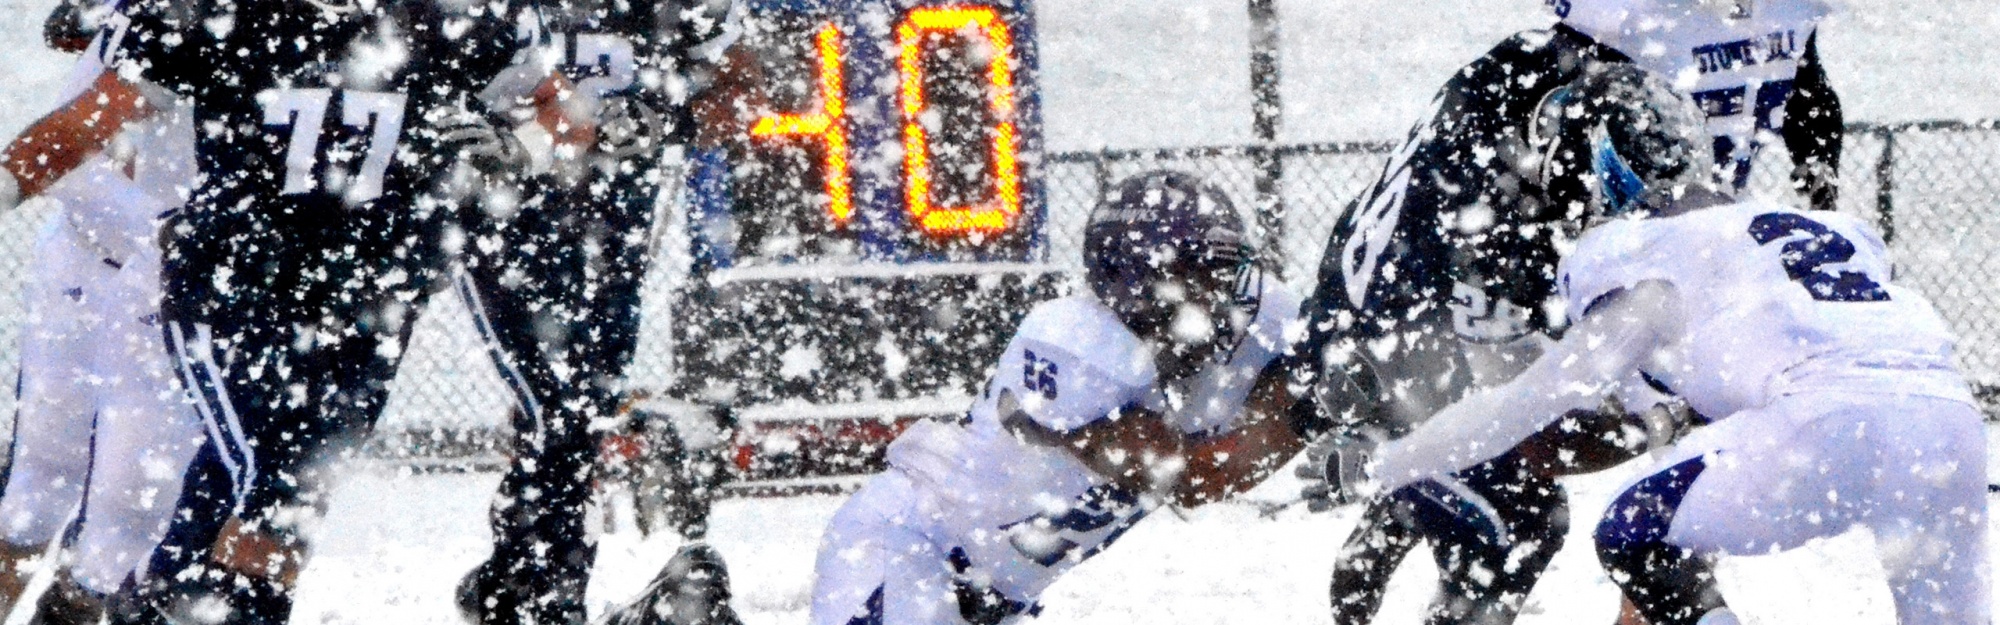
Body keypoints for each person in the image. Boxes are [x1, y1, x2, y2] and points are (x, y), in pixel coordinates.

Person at [0, 0, 578, 620]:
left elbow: (567, 112)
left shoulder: (450, 18)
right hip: (235, 290)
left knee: (244, 494)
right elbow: (75, 130)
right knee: (274, 486)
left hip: (371, 302)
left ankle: (159, 603)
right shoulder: (217, 14)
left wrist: (525, 147)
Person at [1351, 64, 1987, 625]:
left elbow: (1512, 413)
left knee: (1636, 535)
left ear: (1590, 169)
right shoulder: (1828, 229)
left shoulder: (1640, 261)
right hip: (1951, 427)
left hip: (1826, 425)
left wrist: (1385, 465)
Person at [1285, 0, 1843, 621]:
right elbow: (1489, 369)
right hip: (1451, 294)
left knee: (1663, 447)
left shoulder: (1756, 33)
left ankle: (1417, 488)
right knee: (1518, 512)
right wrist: (1379, 421)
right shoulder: (1522, 151)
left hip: (1617, 252)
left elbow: (1800, 81)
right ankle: (1418, 487)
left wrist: (1813, 178)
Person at [598, 170, 1336, 625]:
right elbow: (1194, 474)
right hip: (908, 548)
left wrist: (1334, 377)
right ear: (1141, 282)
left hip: (989, 587)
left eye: (1224, 265)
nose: (1226, 289)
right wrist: (1311, 406)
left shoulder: (1247, 312)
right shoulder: (1077, 347)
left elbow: (1327, 344)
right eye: (1200, 270)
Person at [450, 1, 744, 623]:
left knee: (581, 417)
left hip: (612, 229)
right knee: (551, 411)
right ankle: (542, 588)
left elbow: (735, 87)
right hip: (509, 223)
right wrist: (521, 139)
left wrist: (665, 119)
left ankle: (521, 578)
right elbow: (437, 83)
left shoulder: (666, 10)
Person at [0, 9, 202, 622]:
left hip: (174, 274)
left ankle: (74, 605)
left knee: (126, 510)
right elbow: (85, 115)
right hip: (94, 254)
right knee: (36, 483)